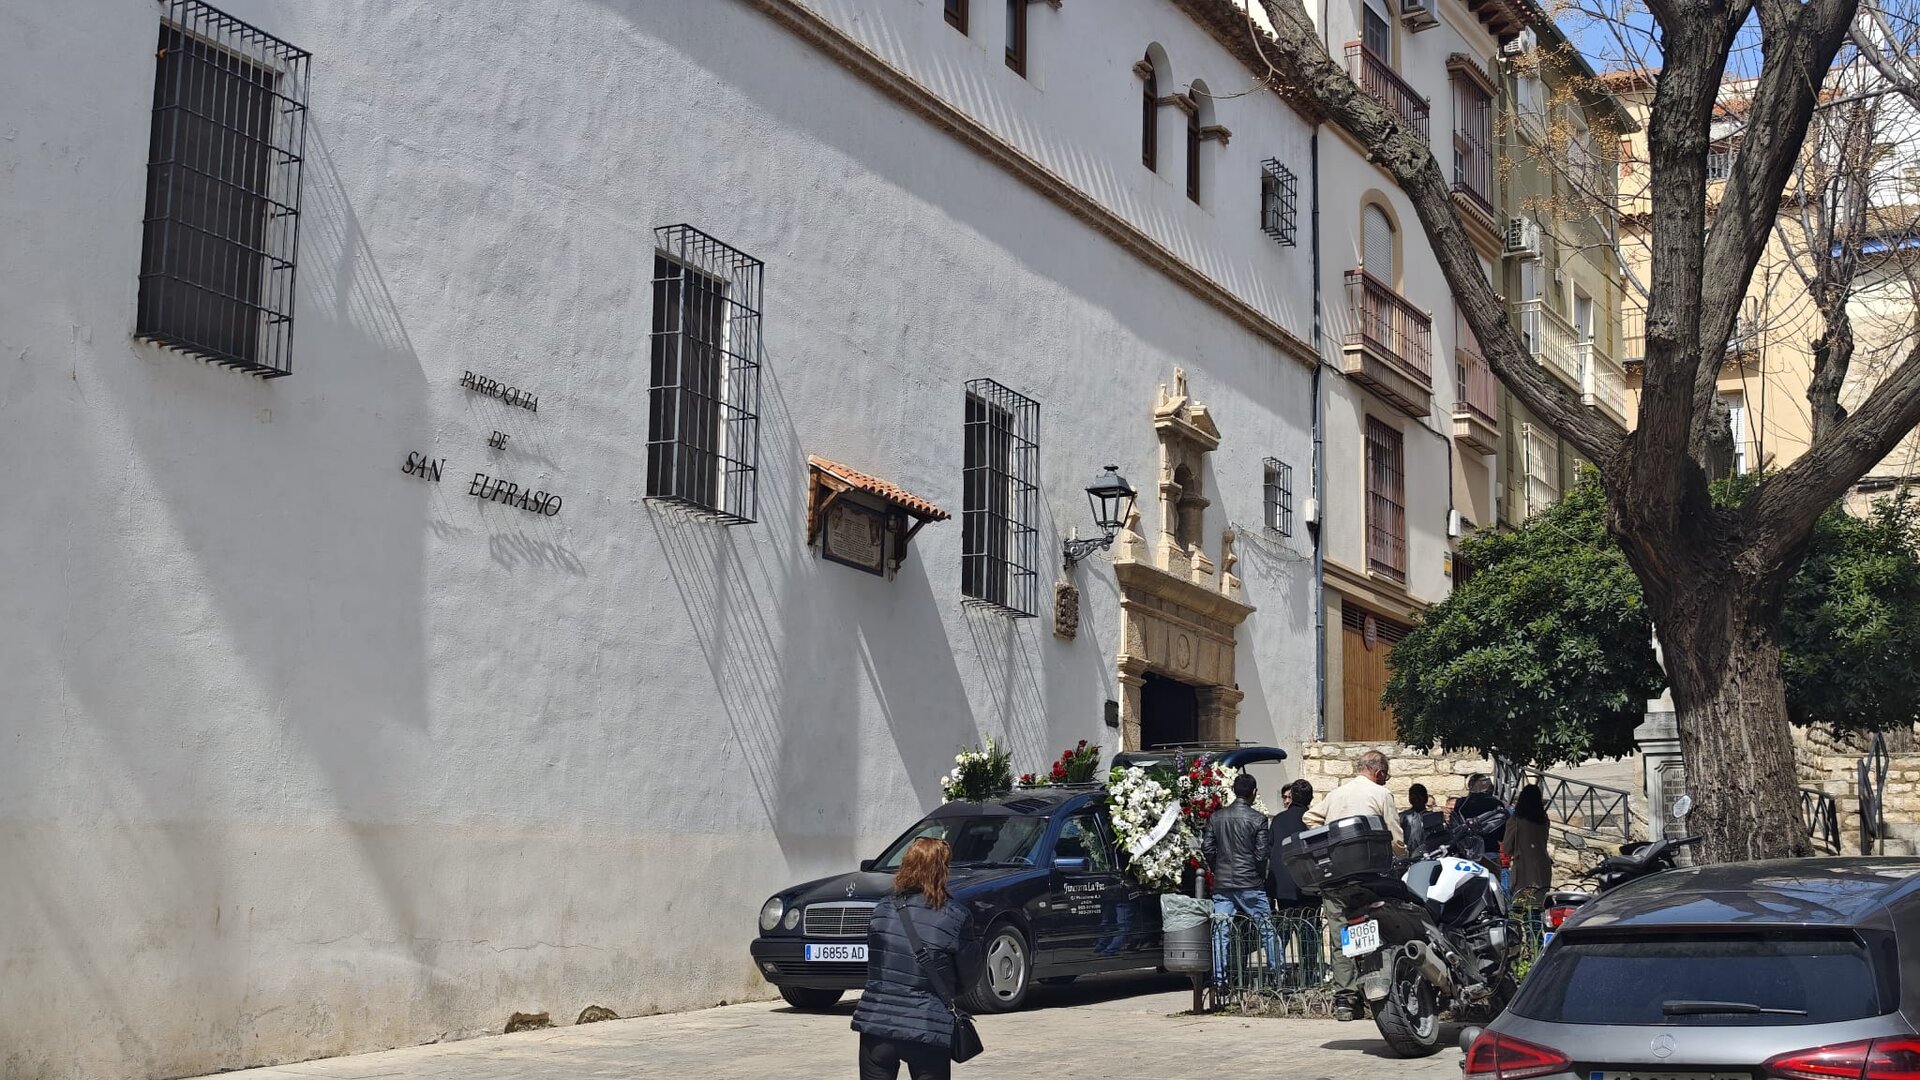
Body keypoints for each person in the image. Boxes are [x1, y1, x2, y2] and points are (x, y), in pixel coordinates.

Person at [852, 837, 974, 1080]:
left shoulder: (882, 909)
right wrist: (945, 990)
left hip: (877, 1023)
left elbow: (876, 963)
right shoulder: (956, 916)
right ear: (943, 871)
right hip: (927, 1024)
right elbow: (969, 976)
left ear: (906, 866)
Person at [1303, 751, 1405, 1018]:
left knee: (1340, 938)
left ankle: (1345, 1000)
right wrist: (1400, 853)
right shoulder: (1381, 794)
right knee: (1378, 931)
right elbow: (1395, 836)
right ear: (1379, 772)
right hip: (1369, 878)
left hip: (1335, 878)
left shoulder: (1336, 794)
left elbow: (1309, 819)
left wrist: (1330, 840)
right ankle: (1376, 991)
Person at [1204, 773, 1279, 988]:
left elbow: (1207, 848)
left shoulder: (1216, 818)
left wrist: (1218, 868)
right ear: (1253, 793)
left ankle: (1220, 980)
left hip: (1223, 884)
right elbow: (1261, 854)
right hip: (1250, 883)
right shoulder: (1258, 819)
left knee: (1220, 932)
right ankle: (1278, 974)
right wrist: (1255, 873)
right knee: (1266, 929)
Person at [1268, 780, 1319, 985]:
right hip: (1309, 884)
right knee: (1309, 933)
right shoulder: (1313, 819)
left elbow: (1271, 849)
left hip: (1284, 886)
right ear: (1311, 798)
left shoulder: (1279, 820)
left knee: (1284, 931)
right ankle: (1307, 975)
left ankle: (1278, 975)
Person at [1503, 784, 1552, 904]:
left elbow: (1507, 847)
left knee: (1523, 902)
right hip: (1543, 864)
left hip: (1523, 865)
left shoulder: (1516, 820)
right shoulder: (1543, 819)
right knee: (1540, 900)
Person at [1399, 783, 1445, 857]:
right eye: (1413, 796)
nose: (1416, 799)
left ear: (1425, 798)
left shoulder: (1434, 817)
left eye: (1419, 796)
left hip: (1430, 855)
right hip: (1409, 856)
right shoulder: (1403, 817)